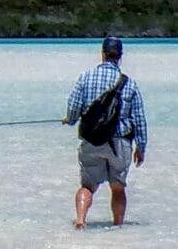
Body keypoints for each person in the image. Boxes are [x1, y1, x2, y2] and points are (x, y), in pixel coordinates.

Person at [63, 34, 149, 229]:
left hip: (92, 140)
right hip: (120, 142)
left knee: (87, 187)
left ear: (102, 54)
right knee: (117, 188)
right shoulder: (129, 83)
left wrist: (70, 120)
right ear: (120, 56)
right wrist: (141, 147)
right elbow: (139, 119)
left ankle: (80, 220)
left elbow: (74, 109)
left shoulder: (86, 78)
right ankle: (118, 227)